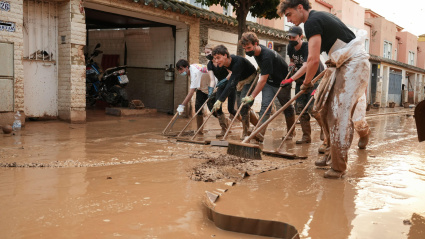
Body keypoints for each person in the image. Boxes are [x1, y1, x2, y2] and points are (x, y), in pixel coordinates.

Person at [277, 0, 371, 178]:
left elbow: (312, 60)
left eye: (289, 14)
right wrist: (304, 81)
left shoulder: (312, 21)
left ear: (299, 7)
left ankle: (338, 166)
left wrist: (306, 83)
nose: (288, 20)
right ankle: (331, 153)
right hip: (340, 62)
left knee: (339, 113)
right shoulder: (314, 20)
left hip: (354, 63)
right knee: (322, 108)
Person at [239, 32, 296, 142]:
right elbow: (265, 77)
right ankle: (260, 134)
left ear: (256, 44)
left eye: (249, 48)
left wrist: (252, 96)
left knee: (287, 107)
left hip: (282, 82)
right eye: (245, 48)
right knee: (265, 107)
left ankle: (291, 132)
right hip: (270, 82)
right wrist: (262, 67)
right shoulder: (256, 52)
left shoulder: (266, 55)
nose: (247, 51)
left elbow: (262, 80)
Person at [282, 26, 325, 145]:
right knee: (300, 108)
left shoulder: (307, 47)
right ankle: (306, 137)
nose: (291, 39)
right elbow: (292, 60)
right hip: (301, 81)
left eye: (294, 37)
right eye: (289, 37)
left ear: (301, 37)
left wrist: (291, 79)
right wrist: (291, 65)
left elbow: (306, 66)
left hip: (315, 79)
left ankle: (325, 129)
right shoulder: (290, 46)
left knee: (313, 108)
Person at [211, 44, 259, 139]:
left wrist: (220, 100)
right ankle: (257, 126)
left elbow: (231, 83)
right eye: (214, 58)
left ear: (225, 55)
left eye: (218, 58)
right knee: (241, 107)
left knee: (244, 104)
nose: (216, 61)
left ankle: (246, 132)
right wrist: (224, 80)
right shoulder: (224, 64)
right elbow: (231, 76)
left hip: (250, 79)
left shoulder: (237, 62)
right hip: (240, 81)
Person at [176, 59, 216, 135]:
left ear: (186, 67)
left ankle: (225, 124)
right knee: (198, 108)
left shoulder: (194, 72)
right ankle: (200, 131)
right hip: (201, 88)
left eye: (181, 69)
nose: (180, 72)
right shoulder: (191, 70)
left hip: (211, 88)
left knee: (213, 110)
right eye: (178, 70)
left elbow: (191, 92)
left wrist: (182, 105)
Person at [204, 44, 236, 137]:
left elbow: (232, 73)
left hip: (230, 84)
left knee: (231, 109)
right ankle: (224, 129)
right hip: (221, 86)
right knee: (217, 107)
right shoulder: (210, 64)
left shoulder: (222, 61)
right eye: (205, 53)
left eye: (208, 52)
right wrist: (210, 90)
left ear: (213, 52)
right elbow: (212, 79)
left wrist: (225, 80)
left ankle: (246, 124)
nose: (207, 55)